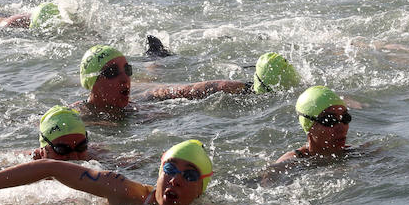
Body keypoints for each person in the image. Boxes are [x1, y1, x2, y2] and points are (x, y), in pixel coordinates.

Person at [0, 139, 213, 205]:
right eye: (169, 170)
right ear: (159, 174)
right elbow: (49, 167)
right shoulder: (125, 190)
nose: (175, 180)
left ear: (202, 189)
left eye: (189, 174)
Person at [76, 45, 291, 118]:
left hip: (144, 101)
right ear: (91, 82)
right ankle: (155, 58)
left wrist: (251, 89)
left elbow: (194, 89)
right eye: (113, 72)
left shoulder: (142, 102)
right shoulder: (77, 118)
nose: (125, 78)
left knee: (156, 82)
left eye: (127, 70)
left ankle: (157, 57)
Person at [274, 86, 351, 163]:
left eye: (345, 118)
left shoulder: (356, 153)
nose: (342, 128)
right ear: (309, 126)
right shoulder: (290, 164)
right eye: (330, 120)